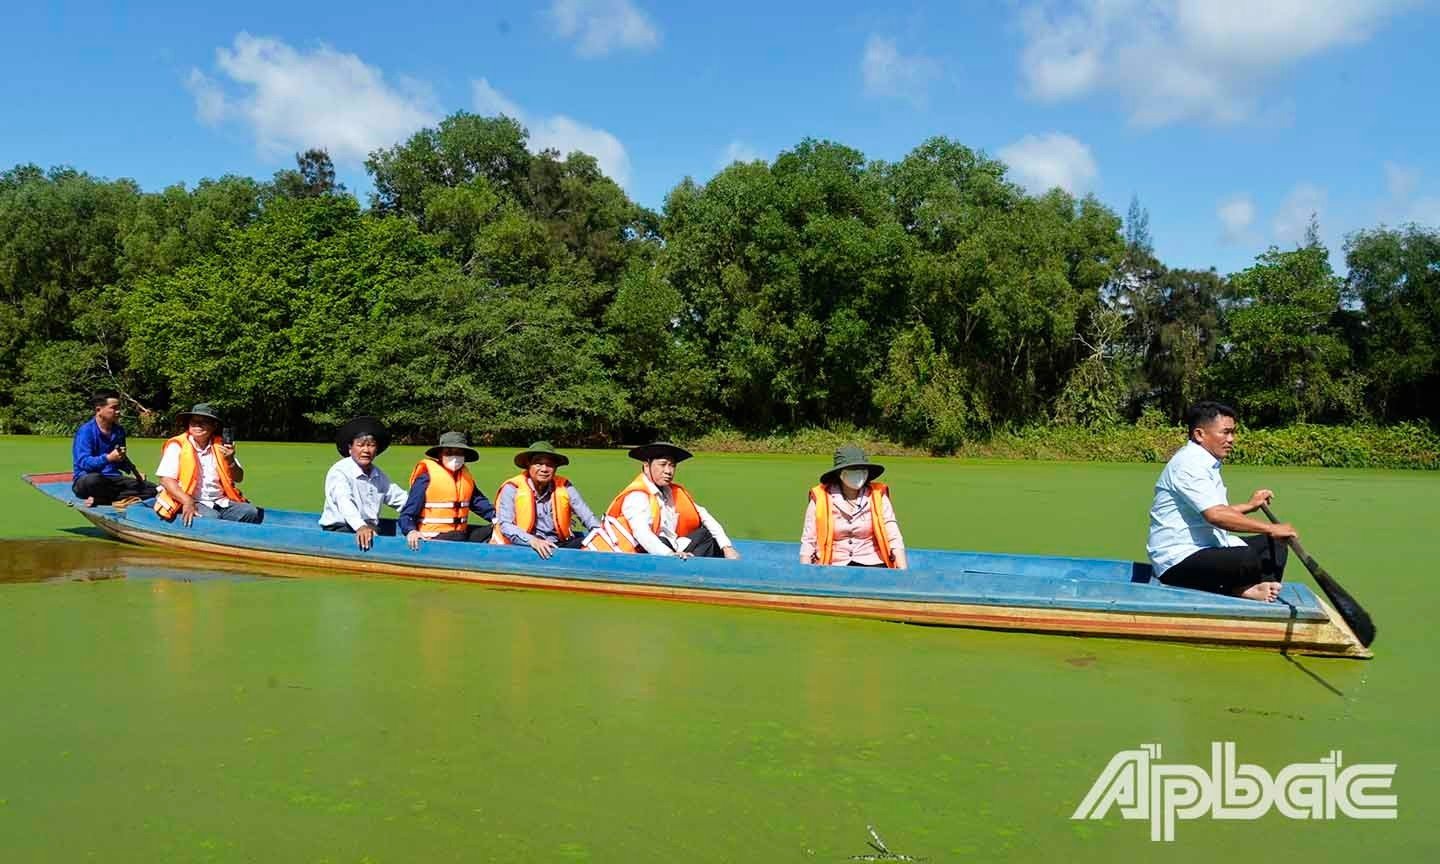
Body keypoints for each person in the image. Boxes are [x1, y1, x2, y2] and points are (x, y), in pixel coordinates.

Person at [1147, 401, 1295, 602]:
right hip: (1176, 560)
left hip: (1207, 547)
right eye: (1225, 433)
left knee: (1274, 545)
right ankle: (1239, 591)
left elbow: (1214, 509)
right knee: (1247, 557)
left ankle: (1263, 590)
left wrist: (1250, 506)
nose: (1231, 439)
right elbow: (1216, 516)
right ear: (1200, 434)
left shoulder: (1205, 462)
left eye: (1233, 432)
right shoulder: (1189, 464)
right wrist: (1270, 528)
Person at [586, 441, 739, 559]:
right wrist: (669, 555)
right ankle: (687, 571)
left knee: (706, 535)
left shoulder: (671, 491)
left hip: (672, 546)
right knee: (662, 541)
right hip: (645, 553)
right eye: (662, 465)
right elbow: (642, 534)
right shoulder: (637, 496)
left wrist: (727, 547)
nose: (668, 471)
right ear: (647, 466)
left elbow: (704, 516)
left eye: (672, 466)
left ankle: (692, 567)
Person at [153, 403, 263, 525]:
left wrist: (230, 459)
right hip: (190, 499)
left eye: (203, 421)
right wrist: (187, 501)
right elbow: (166, 480)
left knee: (250, 512)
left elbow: (239, 477)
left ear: (214, 425)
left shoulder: (221, 446)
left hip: (219, 501)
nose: (197, 425)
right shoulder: (177, 446)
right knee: (212, 518)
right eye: (194, 421)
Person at [799, 446, 908, 569]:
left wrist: (902, 572)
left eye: (862, 470)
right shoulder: (820, 497)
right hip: (833, 565)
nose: (859, 474)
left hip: (873, 562)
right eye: (853, 470)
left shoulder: (878, 495)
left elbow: (893, 534)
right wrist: (805, 573)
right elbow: (808, 539)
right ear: (840, 474)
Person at [492, 441, 602, 558]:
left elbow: (587, 517)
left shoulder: (565, 486)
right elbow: (505, 525)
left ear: (555, 468)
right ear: (528, 465)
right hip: (524, 546)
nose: (544, 469)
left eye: (549, 465)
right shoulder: (512, 488)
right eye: (538, 464)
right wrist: (533, 541)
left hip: (559, 544)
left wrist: (600, 533)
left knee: (593, 544)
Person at [320, 416, 408, 551]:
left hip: (370, 529)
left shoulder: (378, 474)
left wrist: (424, 513)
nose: (366, 450)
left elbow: (399, 498)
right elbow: (344, 501)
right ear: (350, 448)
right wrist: (360, 526)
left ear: (376, 449)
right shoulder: (340, 471)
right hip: (341, 530)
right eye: (360, 445)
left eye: (371, 445)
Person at [399, 431, 496, 549]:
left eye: (459, 453)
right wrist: (411, 531)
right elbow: (407, 514)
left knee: (494, 529)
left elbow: (480, 504)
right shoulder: (426, 478)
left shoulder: (466, 478)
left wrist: (499, 518)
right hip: (432, 539)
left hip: (460, 535)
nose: (454, 457)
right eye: (449, 452)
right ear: (440, 455)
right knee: (457, 536)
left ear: (464, 456)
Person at [71, 390, 156, 506]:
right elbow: (83, 462)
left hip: (112, 480)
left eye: (119, 408)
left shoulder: (119, 431)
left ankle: (104, 500)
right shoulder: (86, 431)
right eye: (114, 408)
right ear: (98, 410)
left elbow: (120, 459)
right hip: (87, 479)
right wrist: (108, 458)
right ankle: (112, 497)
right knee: (93, 480)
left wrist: (134, 472)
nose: (118, 411)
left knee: (152, 489)